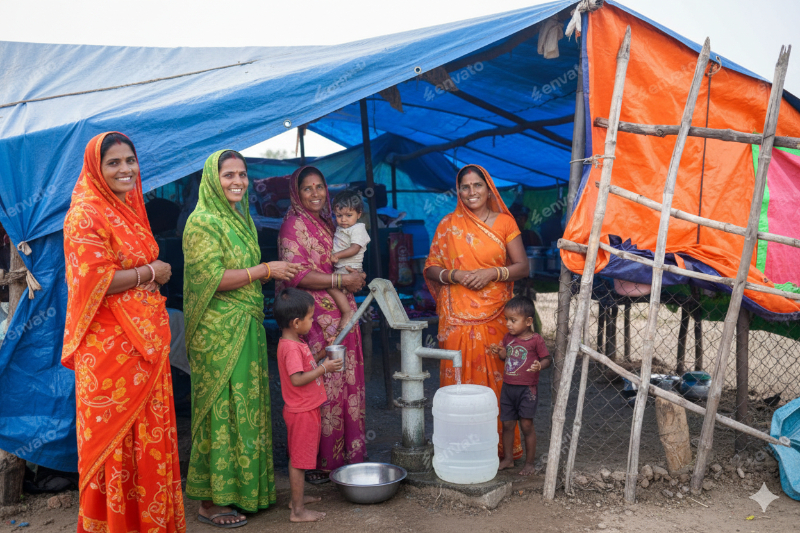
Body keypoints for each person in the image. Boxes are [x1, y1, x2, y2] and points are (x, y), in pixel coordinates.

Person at [62, 132, 185, 533]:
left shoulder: (130, 208)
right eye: (113, 163)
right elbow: (92, 280)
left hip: (146, 346)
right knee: (114, 442)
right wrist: (151, 272)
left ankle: (152, 523)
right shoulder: (85, 214)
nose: (125, 169)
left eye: (130, 160)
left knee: (149, 437)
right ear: (96, 168)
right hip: (110, 351)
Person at [183, 150, 301, 527]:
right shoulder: (202, 222)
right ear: (211, 180)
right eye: (228, 175)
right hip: (218, 332)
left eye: (242, 174)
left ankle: (248, 492)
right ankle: (210, 502)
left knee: (246, 407)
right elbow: (212, 279)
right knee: (221, 410)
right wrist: (266, 270)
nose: (237, 181)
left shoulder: (241, 218)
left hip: (246, 324)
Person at [424, 164, 530, 462]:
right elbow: (430, 267)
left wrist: (492, 273)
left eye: (477, 185)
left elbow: (522, 266)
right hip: (455, 319)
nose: (472, 192)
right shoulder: (448, 224)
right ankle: (459, 451)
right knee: (457, 383)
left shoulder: (505, 223)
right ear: (458, 191)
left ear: (489, 188)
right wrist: (454, 275)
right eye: (465, 186)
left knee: (496, 382)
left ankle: (498, 450)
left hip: (495, 316)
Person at [277, 166, 367, 483]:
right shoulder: (293, 226)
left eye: (319, 187)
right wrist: (342, 281)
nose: (315, 194)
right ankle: (318, 461)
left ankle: (346, 457)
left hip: (343, 315)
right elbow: (297, 275)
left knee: (346, 385)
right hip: (312, 318)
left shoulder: (329, 222)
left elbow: (343, 260)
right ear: (296, 192)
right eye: (307, 188)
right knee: (324, 386)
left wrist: (354, 277)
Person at [274, 288, 342, 522]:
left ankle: (297, 499)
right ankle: (298, 511)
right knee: (299, 462)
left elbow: (307, 365)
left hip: (305, 409)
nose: (312, 322)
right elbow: (297, 379)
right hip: (302, 411)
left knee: (301, 458)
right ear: (296, 322)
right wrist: (324, 369)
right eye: (310, 318)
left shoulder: (295, 342)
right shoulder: (291, 348)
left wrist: (323, 354)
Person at [491, 296, 550, 475]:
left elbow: (547, 358)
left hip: (527, 390)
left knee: (526, 425)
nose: (508, 324)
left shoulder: (536, 340)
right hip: (508, 389)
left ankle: (529, 463)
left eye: (513, 320)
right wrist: (500, 352)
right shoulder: (508, 338)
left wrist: (540, 365)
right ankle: (508, 459)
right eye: (507, 319)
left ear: (528, 321)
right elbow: (505, 357)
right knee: (507, 424)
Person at [328, 189, 371, 326]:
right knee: (341, 290)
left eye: (348, 215)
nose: (343, 219)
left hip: (348, 268)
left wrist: (337, 255)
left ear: (359, 214)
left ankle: (347, 312)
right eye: (339, 215)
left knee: (330, 286)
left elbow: (355, 248)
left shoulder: (358, 229)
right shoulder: (343, 227)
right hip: (343, 267)